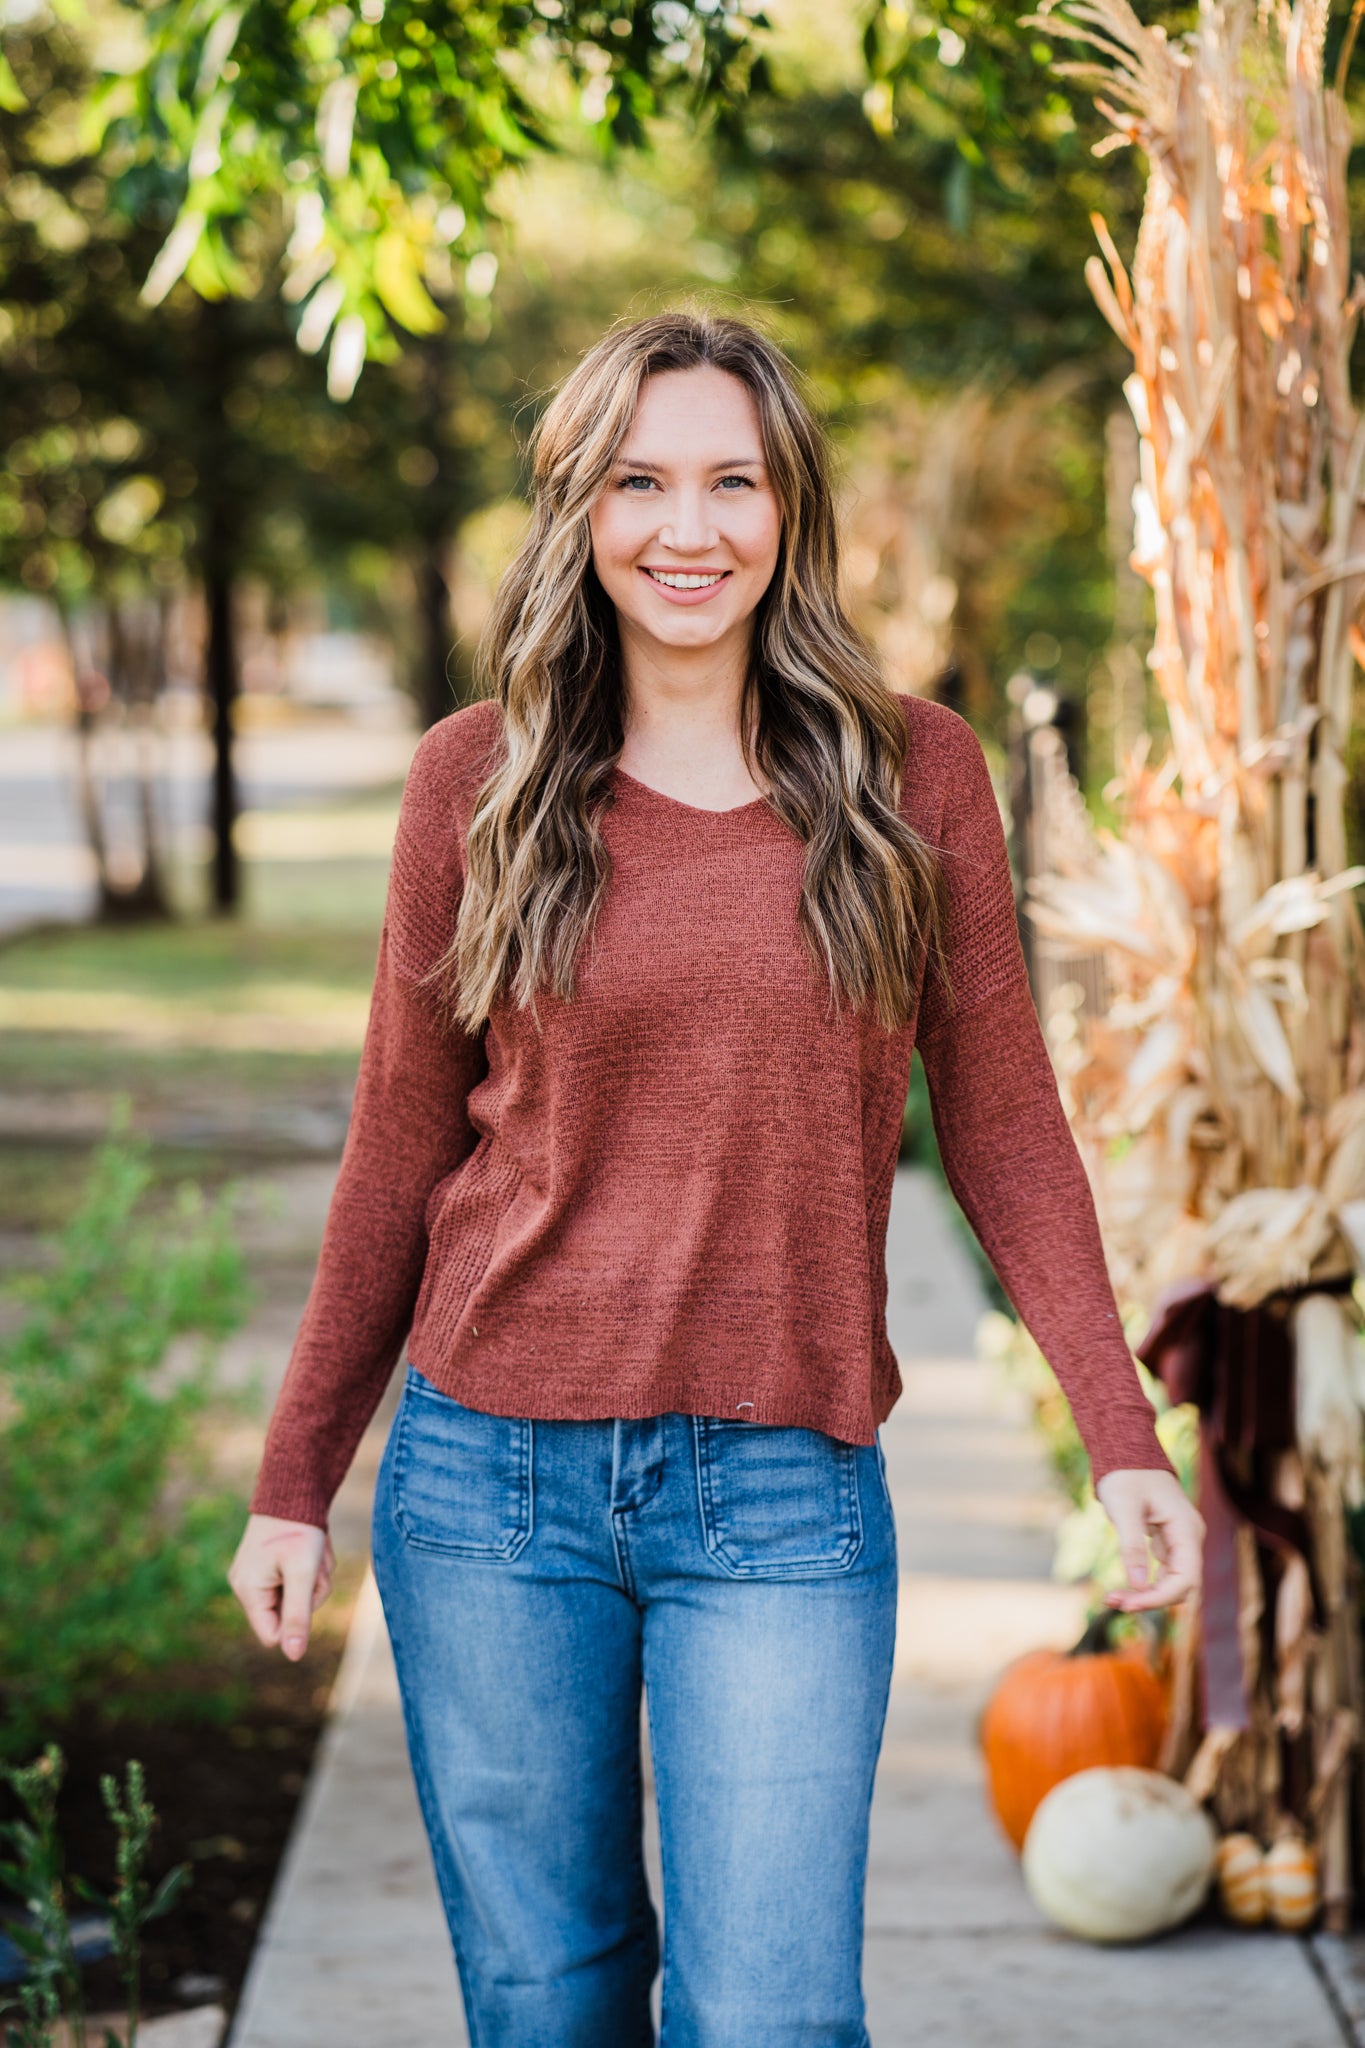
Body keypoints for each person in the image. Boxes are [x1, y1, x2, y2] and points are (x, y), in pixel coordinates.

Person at [229, 311, 1204, 2048]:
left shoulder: (912, 777)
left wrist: (1116, 1434)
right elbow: (398, 1139)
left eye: (731, 481)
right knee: (547, 2002)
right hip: (486, 1486)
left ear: (788, 508)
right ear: (580, 513)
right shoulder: (481, 779)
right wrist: (296, 1478)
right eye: (639, 481)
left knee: (768, 2016)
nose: (689, 530)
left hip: (781, 1490)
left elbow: (1002, 1124)